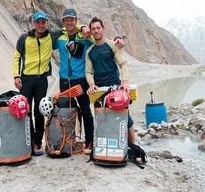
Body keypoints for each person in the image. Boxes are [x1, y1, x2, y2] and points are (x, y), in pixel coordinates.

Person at [54, 8, 124, 153]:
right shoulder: (59, 37)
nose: (69, 22)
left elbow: (101, 39)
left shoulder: (85, 36)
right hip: (64, 81)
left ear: (76, 21)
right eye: (67, 20)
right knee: (66, 112)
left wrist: (118, 38)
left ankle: (90, 142)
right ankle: (67, 141)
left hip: (81, 80)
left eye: (72, 20)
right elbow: (43, 38)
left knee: (86, 111)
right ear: (63, 22)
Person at [13, 11, 62, 156]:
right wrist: (16, 76)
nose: (41, 25)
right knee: (25, 111)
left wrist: (83, 28)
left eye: (44, 22)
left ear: (47, 24)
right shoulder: (24, 38)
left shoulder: (52, 36)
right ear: (33, 24)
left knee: (40, 111)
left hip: (42, 80)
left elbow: (70, 28)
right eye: (38, 22)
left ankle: (38, 142)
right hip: (26, 79)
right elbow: (17, 57)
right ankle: (28, 139)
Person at [85, 16, 136, 145]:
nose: (96, 31)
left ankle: (133, 148)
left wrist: (125, 81)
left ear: (103, 29)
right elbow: (88, 72)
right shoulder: (89, 51)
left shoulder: (112, 45)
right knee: (102, 119)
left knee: (125, 117)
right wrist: (91, 84)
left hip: (115, 88)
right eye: (93, 29)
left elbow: (123, 63)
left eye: (98, 28)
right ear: (90, 32)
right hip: (99, 93)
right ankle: (107, 149)